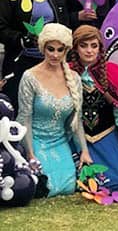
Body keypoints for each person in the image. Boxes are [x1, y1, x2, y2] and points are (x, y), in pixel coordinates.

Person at [17, 23, 92, 197]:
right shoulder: (30, 76)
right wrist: (30, 154)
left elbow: (76, 120)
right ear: (43, 48)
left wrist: (84, 152)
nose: (55, 54)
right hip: (35, 141)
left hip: (60, 142)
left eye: (61, 50)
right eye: (51, 49)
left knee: (67, 187)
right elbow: (24, 118)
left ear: (66, 50)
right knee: (46, 188)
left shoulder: (74, 78)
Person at [69, 25, 118, 191]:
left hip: (106, 135)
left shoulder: (114, 73)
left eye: (94, 46)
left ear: (100, 48)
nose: (89, 51)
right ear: (75, 48)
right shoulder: (66, 73)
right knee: (76, 181)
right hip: (75, 137)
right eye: (83, 45)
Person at [0, 0, 69, 111]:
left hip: (51, 60)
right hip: (21, 60)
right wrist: (21, 39)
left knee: (49, 107)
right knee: (18, 107)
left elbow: (64, 22)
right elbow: (1, 27)